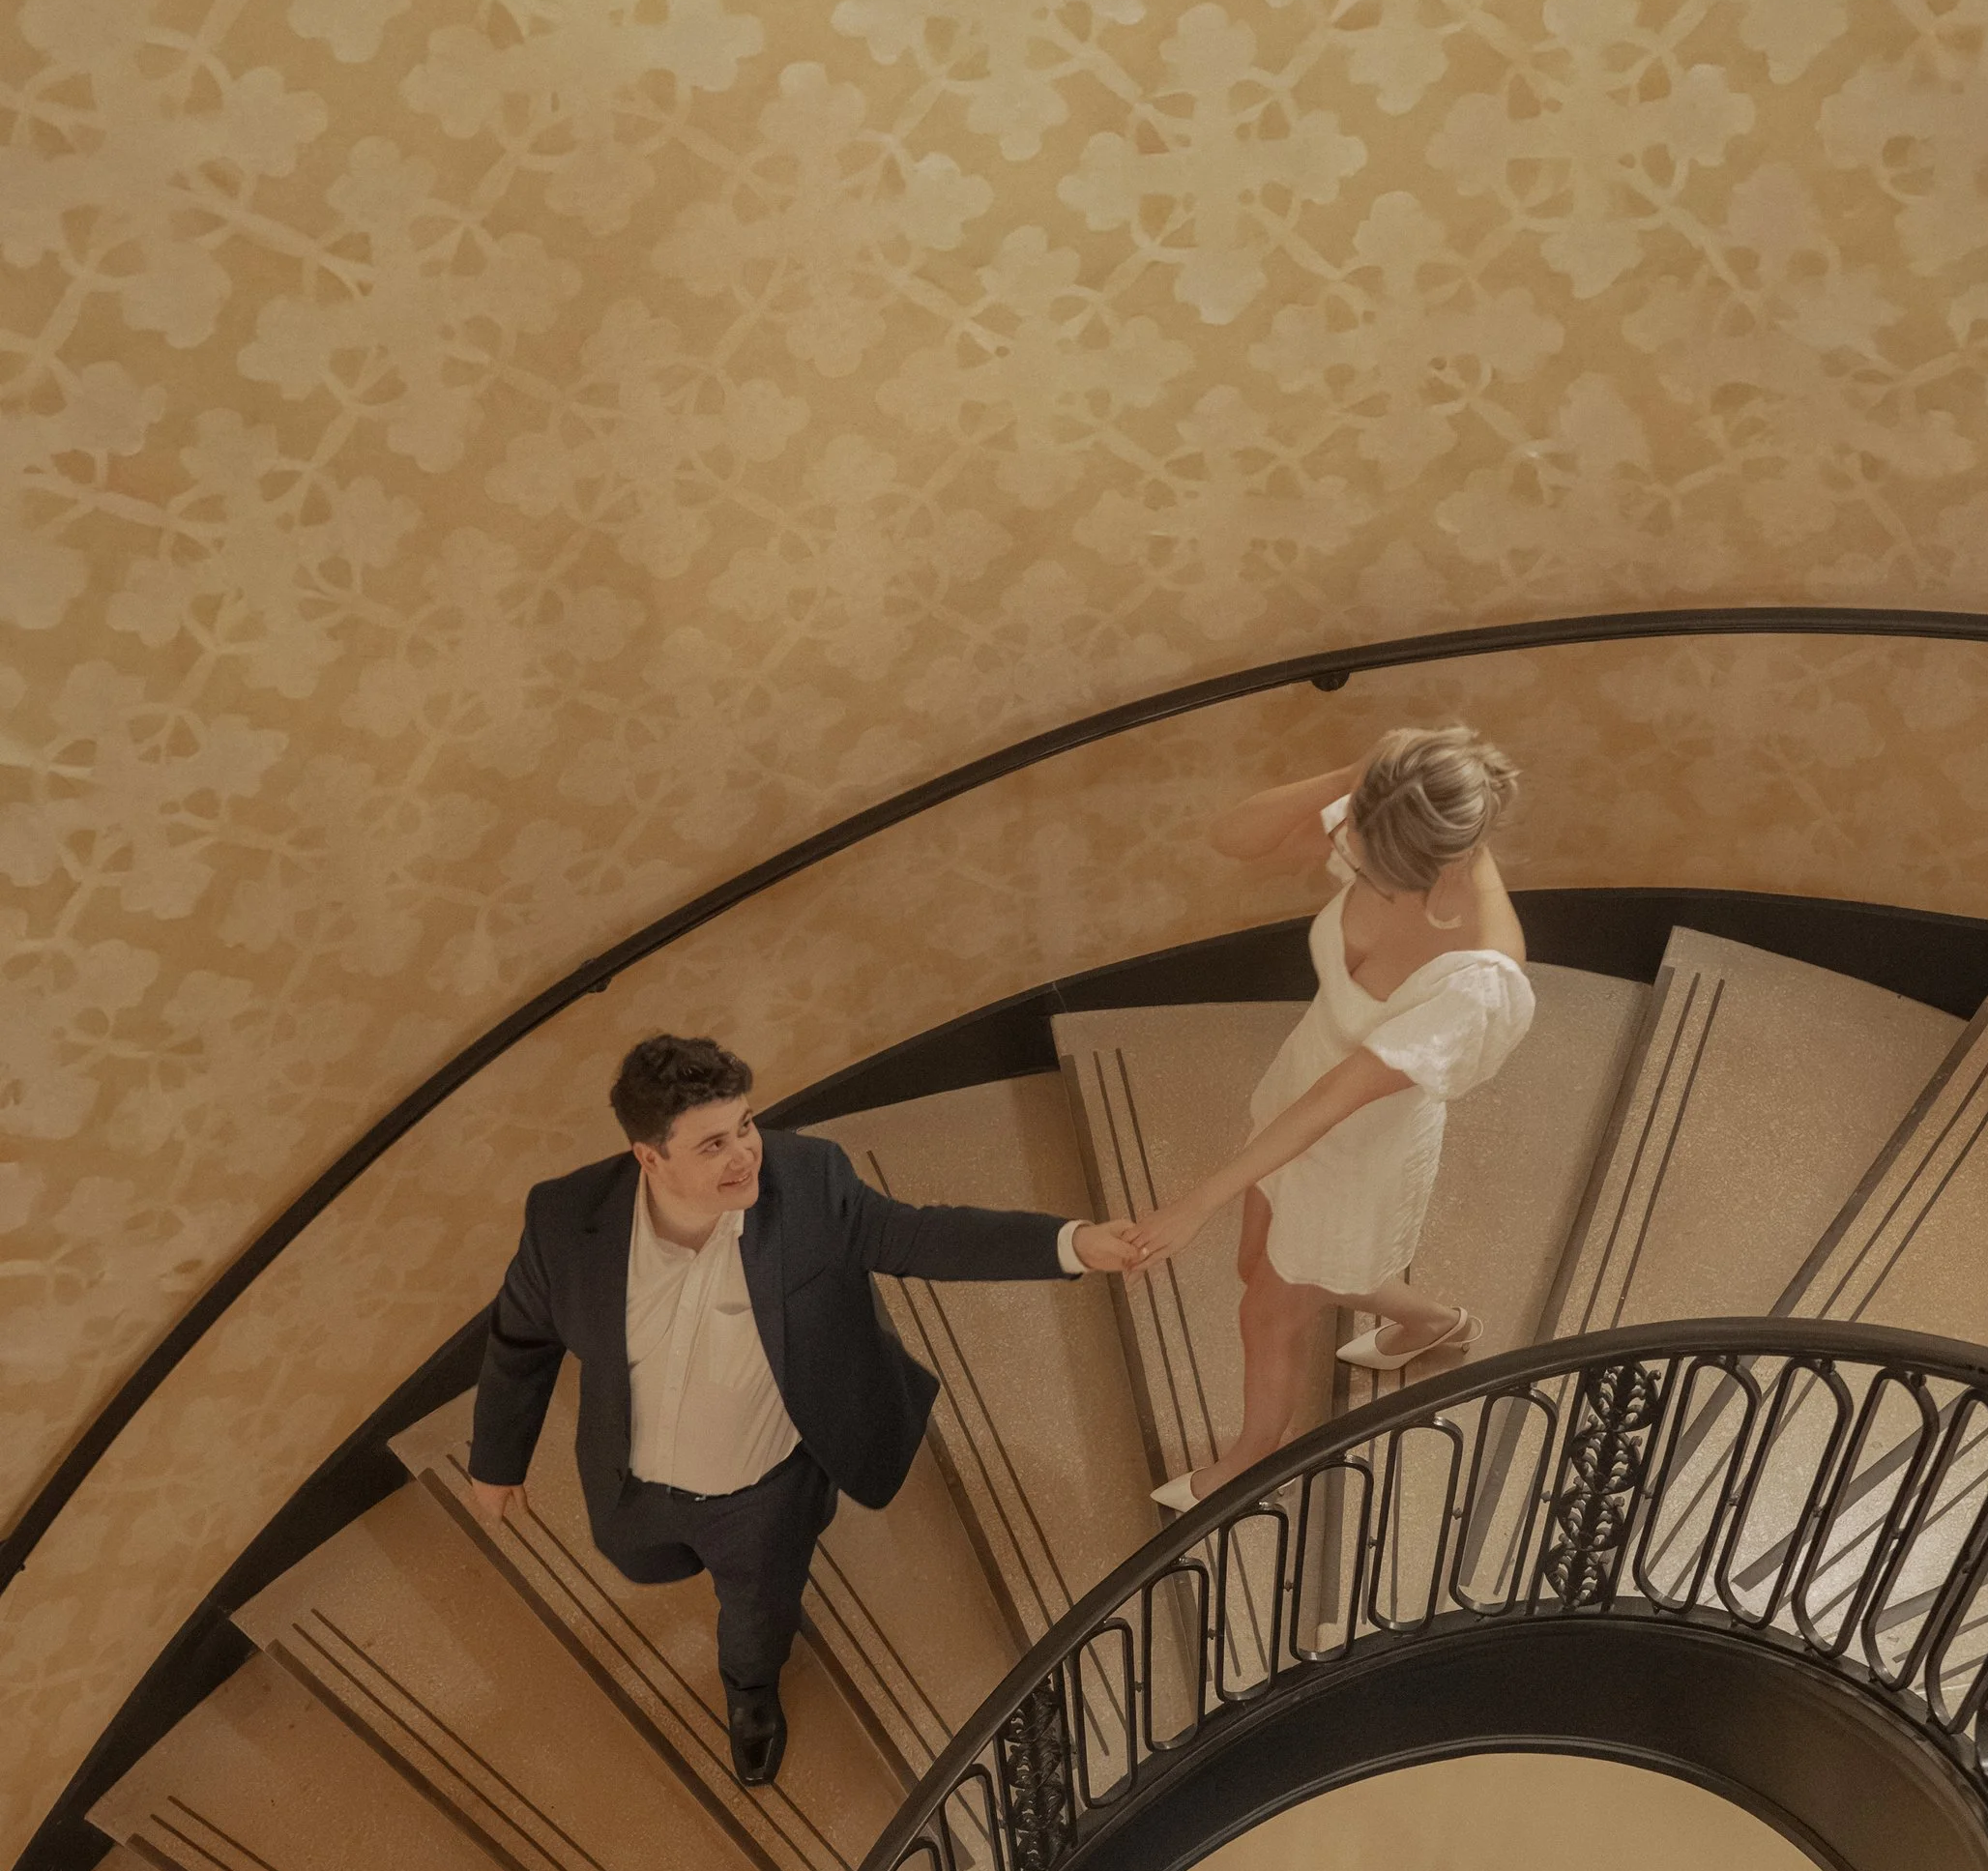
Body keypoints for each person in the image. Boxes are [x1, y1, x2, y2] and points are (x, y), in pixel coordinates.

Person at [466, 1034, 1143, 1787]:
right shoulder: (566, 1222)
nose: (745, 1154)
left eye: (747, 1126)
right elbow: (519, 1339)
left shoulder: (811, 1181)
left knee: (758, 1611)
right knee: (643, 1559)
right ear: (650, 1159)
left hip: (763, 1490)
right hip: (632, 1482)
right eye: (714, 1143)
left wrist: (1072, 1243)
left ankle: (750, 1693)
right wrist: (496, 1464)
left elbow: (924, 1234)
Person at [1125, 723, 1535, 1510]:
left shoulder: (1476, 979)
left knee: (1267, 1309)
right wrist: (1355, 770)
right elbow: (1233, 836)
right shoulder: (1391, 830)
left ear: (1429, 864)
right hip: (1294, 1097)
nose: (1339, 844)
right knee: (1266, 1265)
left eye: (1360, 849)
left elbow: (1336, 1104)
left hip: (1354, 1150)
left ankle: (1252, 1455)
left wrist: (1194, 1202)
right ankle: (1441, 1322)